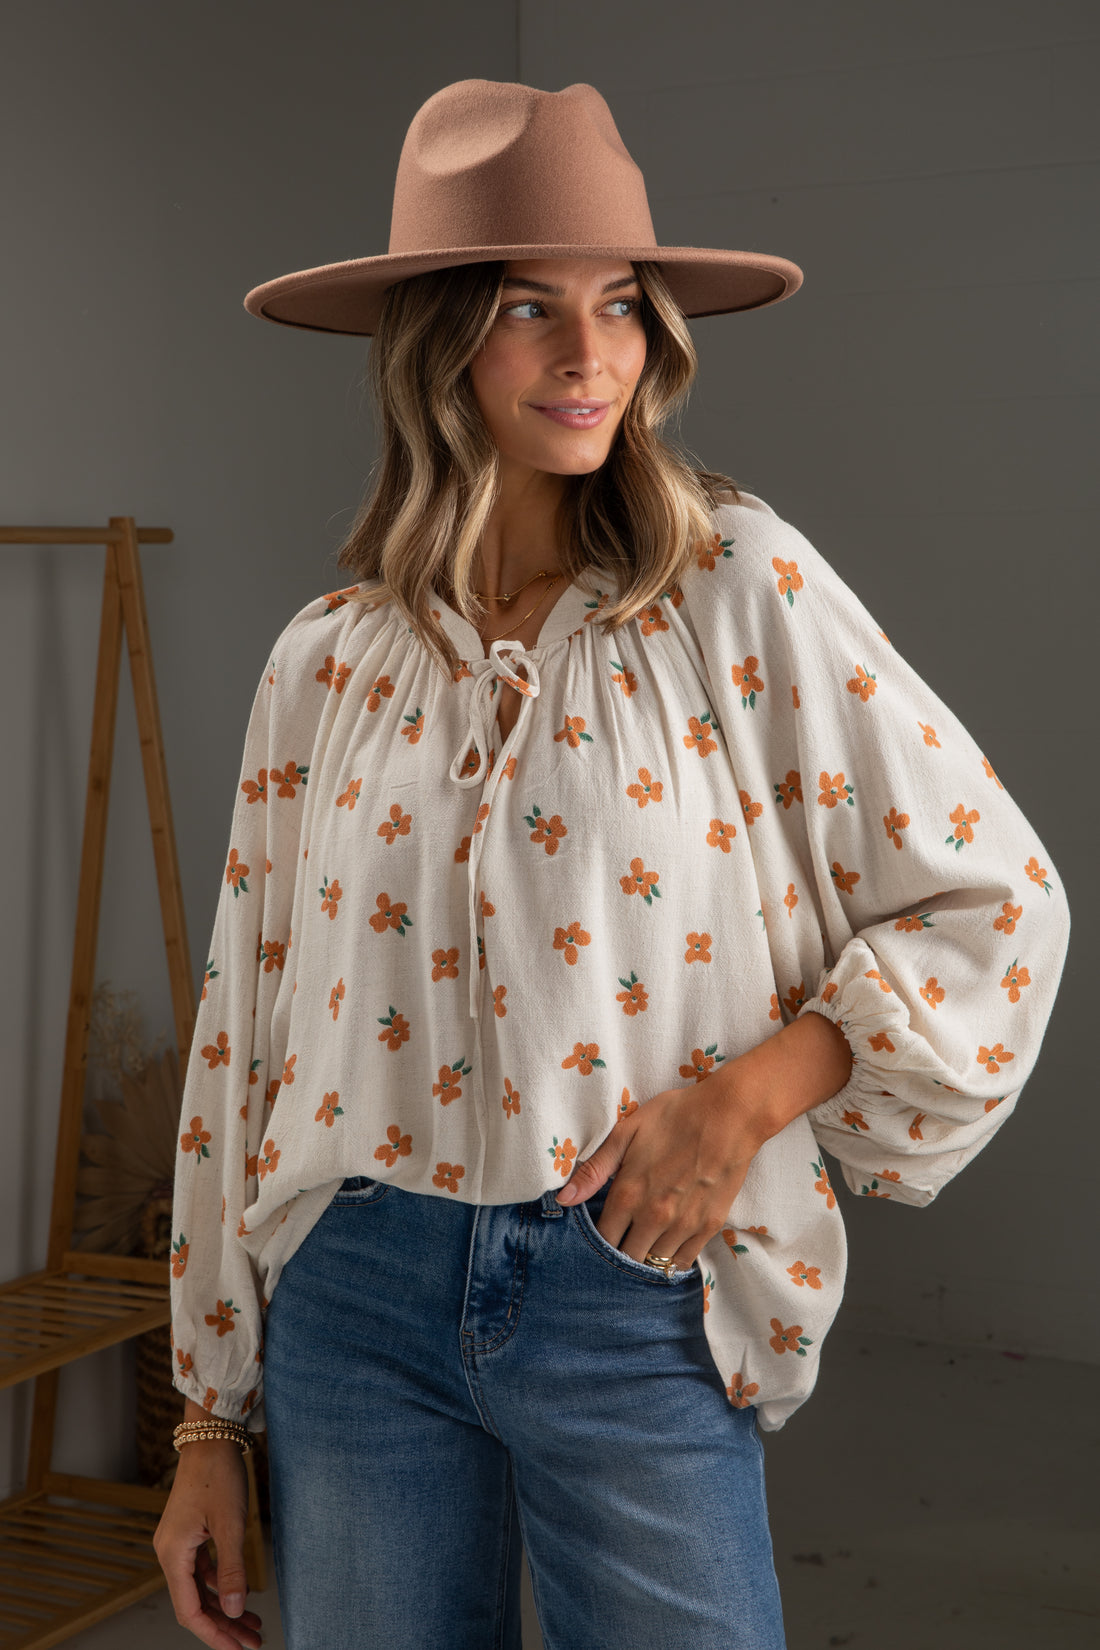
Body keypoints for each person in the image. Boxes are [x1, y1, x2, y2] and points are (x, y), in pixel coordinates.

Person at [153, 79, 1070, 1650]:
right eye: (526, 308)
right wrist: (204, 1422)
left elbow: (999, 893)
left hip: (629, 1282)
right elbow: (245, 1037)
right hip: (351, 1293)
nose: (590, 356)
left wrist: (748, 1102)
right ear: (435, 340)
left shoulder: (734, 586)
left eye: (620, 305)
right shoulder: (327, 662)